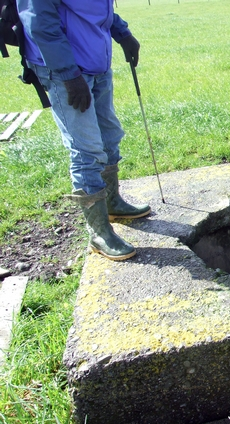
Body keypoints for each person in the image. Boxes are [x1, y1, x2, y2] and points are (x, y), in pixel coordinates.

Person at [17, 0, 150, 261]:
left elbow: (99, 8)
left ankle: (112, 203)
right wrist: (68, 74)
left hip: (97, 63)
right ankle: (99, 233)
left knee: (110, 136)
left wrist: (122, 32)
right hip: (65, 71)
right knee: (86, 149)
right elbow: (40, 22)